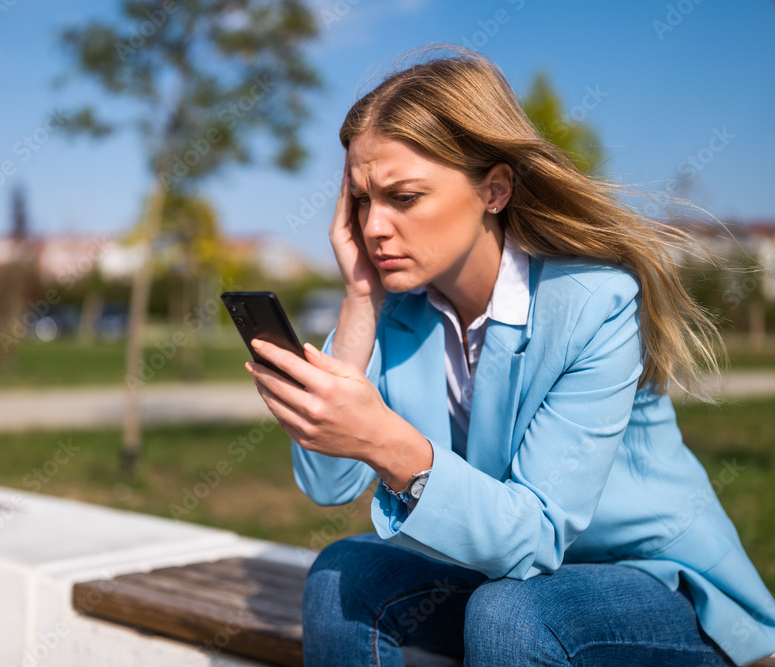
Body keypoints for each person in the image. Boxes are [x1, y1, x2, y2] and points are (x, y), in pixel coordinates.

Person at [245, 46, 775, 666]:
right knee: (343, 573)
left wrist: (387, 443)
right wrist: (360, 300)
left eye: (404, 197)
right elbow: (327, 483)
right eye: (363, 199)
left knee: (513, 614)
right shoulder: (397, 307)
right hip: (506, 579)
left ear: (494, 189)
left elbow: (538, 535)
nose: (374, 227)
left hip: (658, 593)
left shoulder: (595, 303)